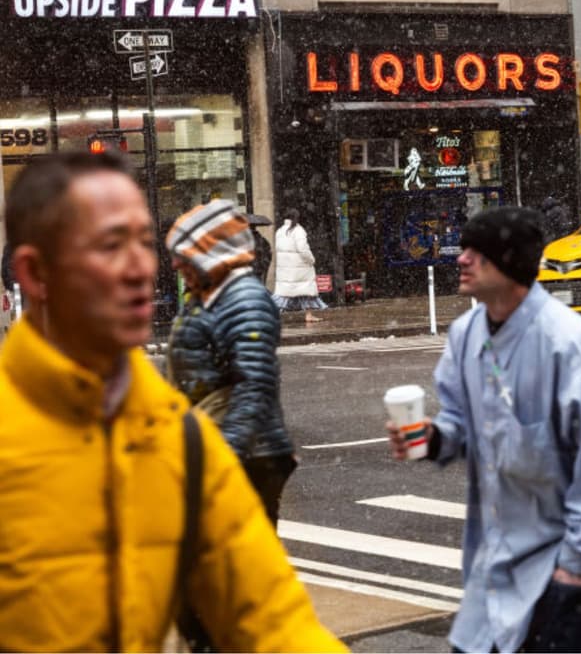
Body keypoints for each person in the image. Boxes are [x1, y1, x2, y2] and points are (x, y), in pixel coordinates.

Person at [0, 152, 343, 652]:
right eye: (110, 244)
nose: (142, 266)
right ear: (35, 273)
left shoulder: (186, 443)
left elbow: (276, 622)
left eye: (143, 242)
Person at [384, 206, 581, 653]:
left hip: (564, 558)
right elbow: (459, 420)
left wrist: (577, 567)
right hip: (497, 557)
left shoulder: (568, 343)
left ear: (508, 264)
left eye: (477, 251)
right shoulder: (466, 334)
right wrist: (433, 438)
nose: (461, 258)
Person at [166, 199, 298, 525]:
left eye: (184, 256)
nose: (175, 265)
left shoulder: (245, 299)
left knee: (241, 557)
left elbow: (254, 386)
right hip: (216, 444)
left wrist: (228, 453)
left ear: (210, 253)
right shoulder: (205, 294)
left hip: (253, 456)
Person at [273, 207, 326, 323]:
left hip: (285, 268)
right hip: (300, 268)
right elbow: (303, 249)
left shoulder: (280, 231)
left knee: (283, 294)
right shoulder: (298, 230)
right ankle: (309, 315)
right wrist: (311, 260)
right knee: (306, 291)